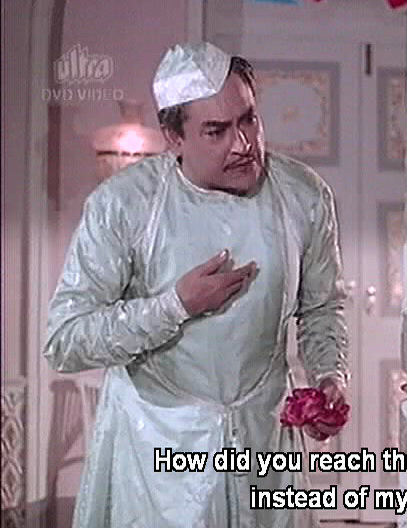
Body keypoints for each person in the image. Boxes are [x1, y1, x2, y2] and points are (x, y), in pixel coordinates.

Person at [44, 41, 349, 528]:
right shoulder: (123, 205)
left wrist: (329, 377)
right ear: (174, 138)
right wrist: (174, 306)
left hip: (264, 451)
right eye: (216, 130)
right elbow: (65, 342)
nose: (243, 144)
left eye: (248, 119)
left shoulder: (303, 195)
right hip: (156, 462)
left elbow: (321, 307)